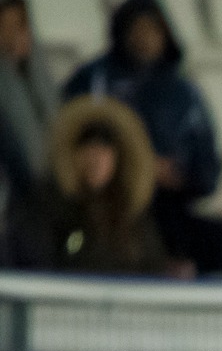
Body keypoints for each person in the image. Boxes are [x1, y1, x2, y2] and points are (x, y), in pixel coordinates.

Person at [62, 0, 222, 276]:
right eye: (137, 28)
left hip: (165, 203)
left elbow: (207, 171)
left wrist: (179, 176)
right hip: (105, 199)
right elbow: (68, 138)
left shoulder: (184, 95)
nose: (144, 38)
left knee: (214, 239)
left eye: (152, 29)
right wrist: (137, 166)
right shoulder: (93, 80)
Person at [5, 95, 168, 275]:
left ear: (119, 159)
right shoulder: (47, 204)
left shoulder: (132, 214)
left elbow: (153, 268)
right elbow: (35, 262)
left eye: (104, 150)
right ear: (71, 155)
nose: (96, 159)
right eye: (87, 149)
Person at [0, 0, 60, 215]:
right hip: (18, 195)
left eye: (19, 25)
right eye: (5, 26)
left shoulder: (41, 75)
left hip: (53, 187)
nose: (13, 34)